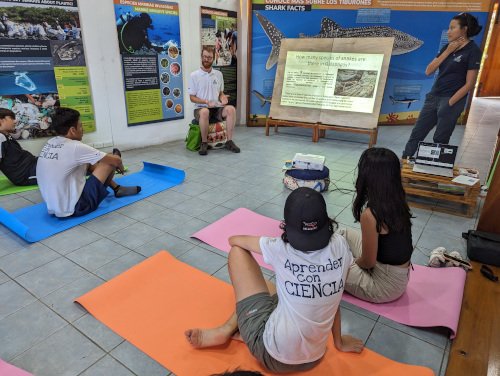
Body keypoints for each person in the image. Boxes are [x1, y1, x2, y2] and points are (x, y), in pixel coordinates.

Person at [185, 187, 363, 373]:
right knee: (271, 287)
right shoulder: (341, 246)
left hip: (272, 356)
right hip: (314, 357)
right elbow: (333, 303)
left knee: (237, 254)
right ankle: (243, 330)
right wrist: (339, 342)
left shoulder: (279, 248)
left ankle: (226, 330)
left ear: (287, 226)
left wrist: (268, 242)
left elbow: (234, 240)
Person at [402, 13, 483, 159]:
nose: (448, 31)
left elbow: (470, 84)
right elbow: (429, 71)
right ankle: (403, 164)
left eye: (452, 28)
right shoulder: (447, 47)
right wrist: (447, 51)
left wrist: (450, 102)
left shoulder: (473, 51)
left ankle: (433, 172)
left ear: (464, 30)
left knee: (440, 139)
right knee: (417, 133)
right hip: (433, 96)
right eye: (448, 28)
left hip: (452, 100)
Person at [36, 107, 141, 218]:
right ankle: (117, 189)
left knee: (89, 161)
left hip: (54, 206)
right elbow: (116, 161)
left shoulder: (50, 142)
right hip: (77, 207)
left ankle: (117, 188)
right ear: (72, 130)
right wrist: (118, 162)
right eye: (80, 126)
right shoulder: (75, 146)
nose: (83, 129)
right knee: (109, 162)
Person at [343, 148, 414, 303]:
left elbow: (368, 262)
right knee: (343, 233)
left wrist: (351, 262)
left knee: (329, 269)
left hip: (384, 286)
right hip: (395, 274)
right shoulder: (398, 197)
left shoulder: (370, 215)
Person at [188, 46, 240, 156]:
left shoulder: (218, 74)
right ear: (201, 57)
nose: (206, 59)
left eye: (209, 57)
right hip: (200, 108)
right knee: (205, 111)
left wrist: (222, 97)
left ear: (213, 58)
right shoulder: (194, 75)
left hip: (217, 108)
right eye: (205, 56)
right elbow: (192, 97)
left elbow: (220, 92)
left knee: (231, 109)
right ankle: (204, 143)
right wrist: (206, 102)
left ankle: (229, 141)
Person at [0, 108, 38, 186]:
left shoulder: (6, 135)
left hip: (32, 165)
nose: (15, 121)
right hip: (27, 174)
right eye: (11, 118)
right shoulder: (0, 137)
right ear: (1, 120)